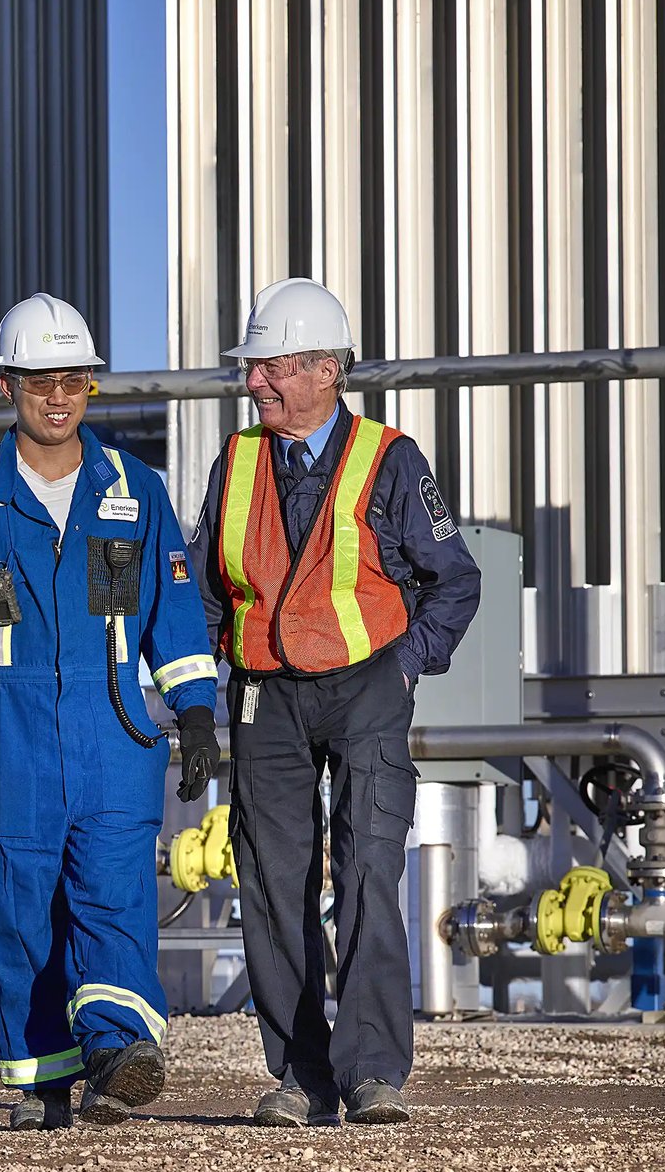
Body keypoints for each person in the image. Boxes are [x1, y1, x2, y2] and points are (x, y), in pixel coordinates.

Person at [0, 293, 220, 1130]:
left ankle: (118, 1055)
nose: (59, 399)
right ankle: (45, 1078)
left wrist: (193, 713)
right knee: (19, 910)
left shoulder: (134, 490)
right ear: (7, 385)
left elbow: (175, 615)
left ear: (91, 388)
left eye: (75, 382)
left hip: (115, 730)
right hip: (8, 743)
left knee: (116, 898)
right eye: (41, 382)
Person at [190, 277, 480, 1127]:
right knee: (274, 888)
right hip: (264, 697)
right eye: (253, 370)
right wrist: (196, 693)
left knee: (367, 874)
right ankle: (302, 1079)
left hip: (366, 689)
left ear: (325, 369)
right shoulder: (237, 462)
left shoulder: (390, 459)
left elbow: (452, 582)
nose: (254, 384)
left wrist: (404, 668)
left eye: (271, 368)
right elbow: (207, 590)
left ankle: (372, 1073)